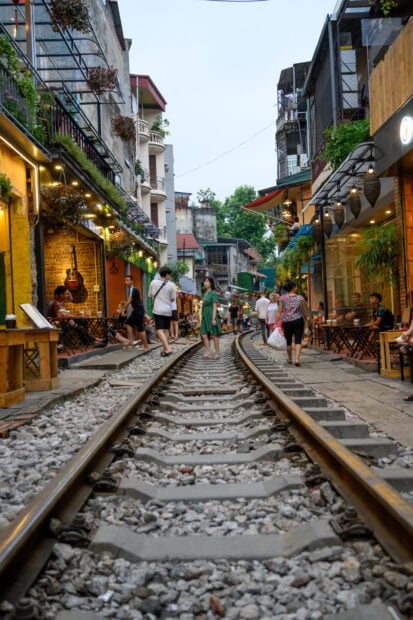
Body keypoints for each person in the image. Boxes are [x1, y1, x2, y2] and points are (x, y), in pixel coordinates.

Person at [274, 280, 305, 367]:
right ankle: (297, 359)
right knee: (298, 340)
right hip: (298, 320)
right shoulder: (300, 298)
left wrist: (275, 323)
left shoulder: (282, 298)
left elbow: (279, 311)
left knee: (289, 341)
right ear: (294, 287)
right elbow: (304, 310)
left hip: (287, 322)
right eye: (296, 286)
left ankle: (290, 359)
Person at [148, 265, 176, 357]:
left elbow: (150, 295)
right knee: (166, 330)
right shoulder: (171, 285)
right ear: (167, 275)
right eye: (170, 275)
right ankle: (165, 349)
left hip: (158, 310)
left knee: (159, 330)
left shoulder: (153, 282)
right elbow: (172, 299)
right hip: (168, 310)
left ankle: (167, 348)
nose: (170, 276)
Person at [124, 275, 148, 351]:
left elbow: (129, 301)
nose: (126, 282)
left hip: (138, 310)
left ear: (132, 281)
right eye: (125, 280)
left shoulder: (133, 289)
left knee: (140, 328)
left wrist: (122, 309)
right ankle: (131, 341)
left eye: (128, 280)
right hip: (137, 310)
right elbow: (137, 301)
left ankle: (146, 346)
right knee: (128, 323)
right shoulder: (132, 289)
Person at [200, 276, 221, 359]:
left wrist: (213, 318)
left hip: (211, 316)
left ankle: (217, 353)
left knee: (214, 335)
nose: (205, 283)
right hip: (204, 316)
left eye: (207, 281)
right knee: (204, 334)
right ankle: (208, 352)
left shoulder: (213, 293)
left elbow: (214, 306)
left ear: (211, 283)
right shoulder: (204, 294)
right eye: (204, 281)